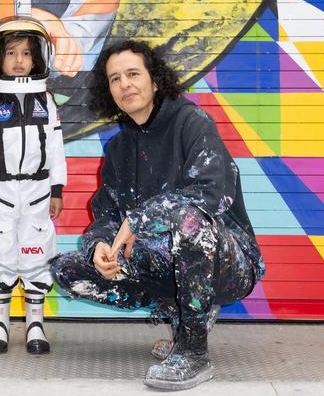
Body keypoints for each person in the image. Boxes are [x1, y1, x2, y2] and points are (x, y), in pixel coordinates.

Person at [50, 40, 264, 391]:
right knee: (68, 269)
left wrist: (139, 220)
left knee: (189, 222)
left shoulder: (191, 122)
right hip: (167, 262)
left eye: (133, 74)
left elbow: (211, 194)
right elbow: (105, 213)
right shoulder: (118, 149)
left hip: (228, 262)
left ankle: (194, 353)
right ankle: (186, 317)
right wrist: (100, 245)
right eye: (115, 79)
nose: (124, 84)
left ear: (156, 81)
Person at [0, 16, 66, 355]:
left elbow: (55, 148)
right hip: (0, 191)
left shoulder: (46, 101)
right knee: (0, 252)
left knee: (36, 251)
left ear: (40, 58)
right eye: (11, 53)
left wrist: (57, 189)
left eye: (26, 53)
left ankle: (35, 322)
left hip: (38, 190)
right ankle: (0, 322)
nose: (19, 60)